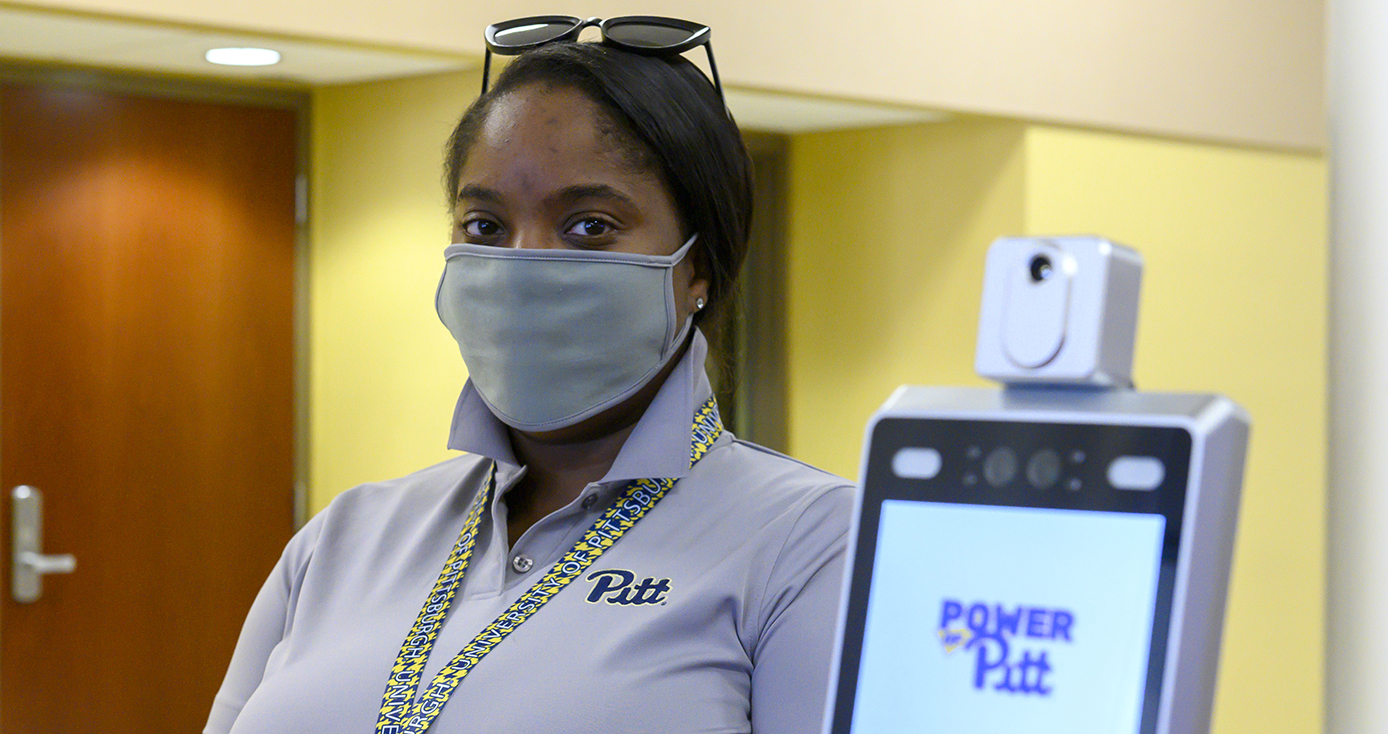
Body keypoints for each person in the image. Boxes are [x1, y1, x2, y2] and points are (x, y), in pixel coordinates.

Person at [204, 16, 852, 734]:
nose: (522, 263)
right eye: (484, 225)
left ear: (698, 265)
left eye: (589, 225)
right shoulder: (345, 539)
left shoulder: (814, 542)